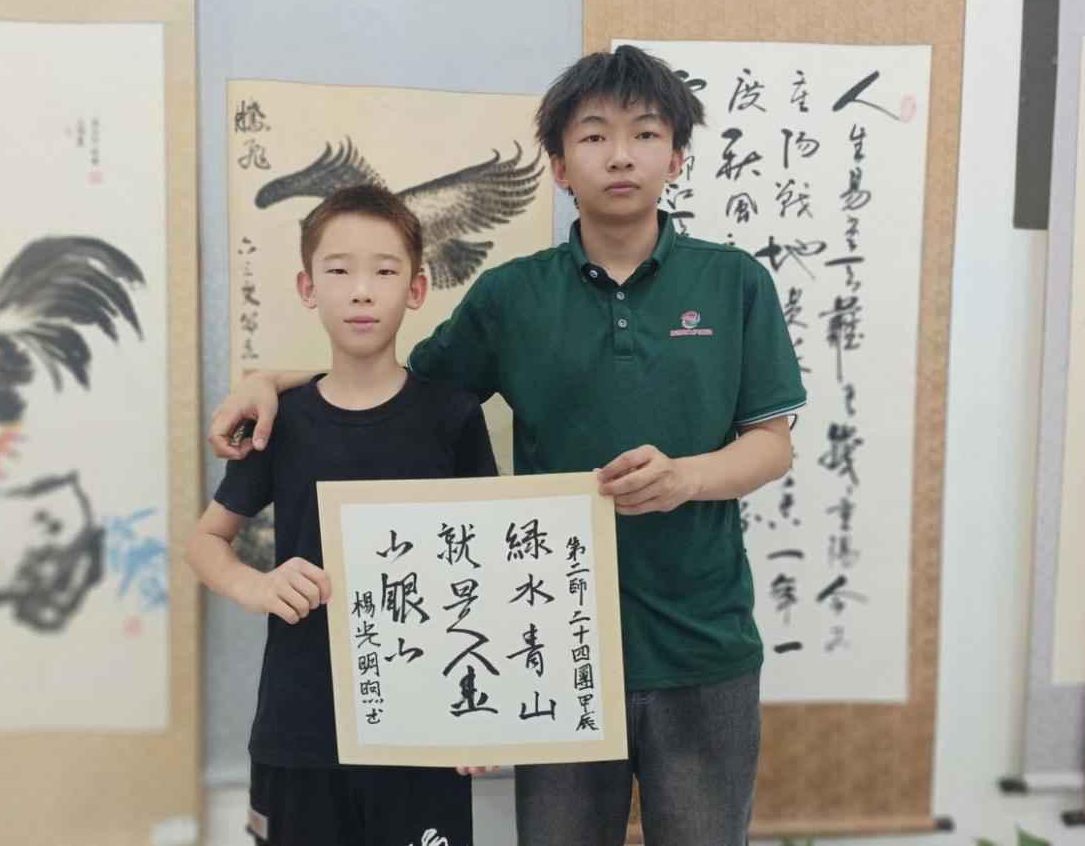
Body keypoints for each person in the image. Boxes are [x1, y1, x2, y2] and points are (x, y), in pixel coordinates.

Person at [207, 45, 806, 846]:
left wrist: (687, 477)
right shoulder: (512, 295)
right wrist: (275, 381)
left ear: (677, 156)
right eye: (593, 135)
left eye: (644, 133)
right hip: (552, 651)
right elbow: (393, 384)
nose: (619, 155)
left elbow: (770, 445)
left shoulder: (734, 282)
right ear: (557, 166)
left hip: (703, 642)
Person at [186, 185, 499, 846]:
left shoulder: (452, 416)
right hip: (302, 728)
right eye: (338, 271)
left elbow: (488, 569)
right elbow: (205, 541)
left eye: (384, 271)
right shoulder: (282, 420)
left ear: (416, 289)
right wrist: (256, 586)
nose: (361, 291)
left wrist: (482, 712)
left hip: (425, 725)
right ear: (308, 287)